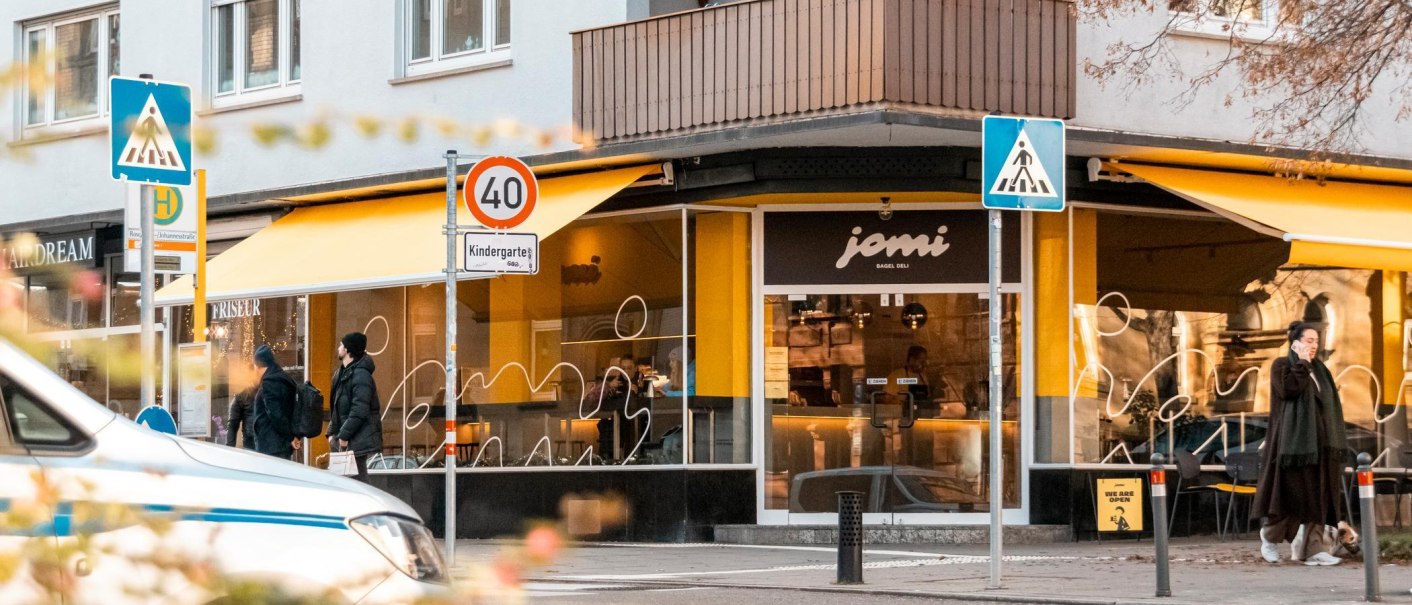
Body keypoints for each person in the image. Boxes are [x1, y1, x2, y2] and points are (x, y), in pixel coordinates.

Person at [1251, 322, 1349, 566]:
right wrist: (1302, 363)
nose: (1313, 346)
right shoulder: (1282, 366)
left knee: (1320, 497)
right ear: (1294, 342)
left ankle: (1314, 549)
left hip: (1321, 446)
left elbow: (1328, 405)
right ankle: (1270, 537)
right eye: (1308, 341)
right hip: (1293, 447)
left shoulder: (1322, 371)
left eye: (1316, 341)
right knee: (1291, 495)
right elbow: (1289, 390)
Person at [327, 332, 383, 483]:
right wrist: (331, 434)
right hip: (343, 441)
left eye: (341, 345)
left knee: (358, 485)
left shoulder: (361, 375)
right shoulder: (341, 374)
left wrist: (344, 436)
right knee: (345, 486)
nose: (338, 348)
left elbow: (359, 410)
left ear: (347, 350)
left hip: (355, 442)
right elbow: (336, 408)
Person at [252, 344, 300, 460]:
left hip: (271, 446)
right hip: (280, 444)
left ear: (258, 366)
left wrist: (290, 437)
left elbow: (275, 414)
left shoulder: (269, 383)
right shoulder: (283, 378)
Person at [224, 384, 257, 451]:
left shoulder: (269, 389)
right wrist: (229, 450)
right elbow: (232, 425)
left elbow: (232, 425)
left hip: (269, 443)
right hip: (251, 443)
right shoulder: (242, 395)